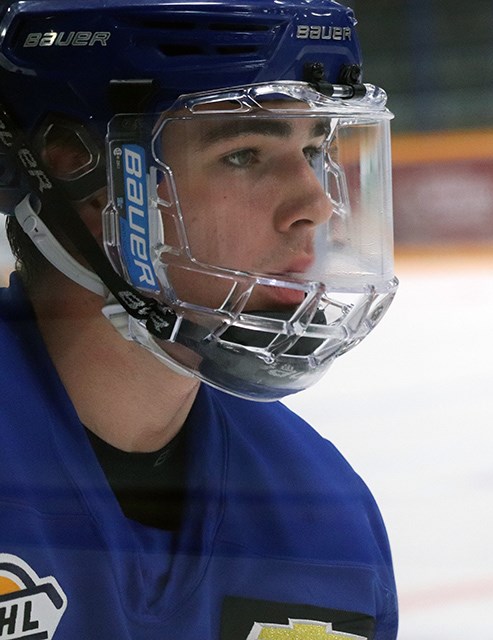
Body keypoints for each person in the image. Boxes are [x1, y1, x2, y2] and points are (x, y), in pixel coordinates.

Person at [0, 1, 399, 638]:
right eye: (244, 154)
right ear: (71, 163)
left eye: (315, 150)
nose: (317, 205)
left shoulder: (324, 513)